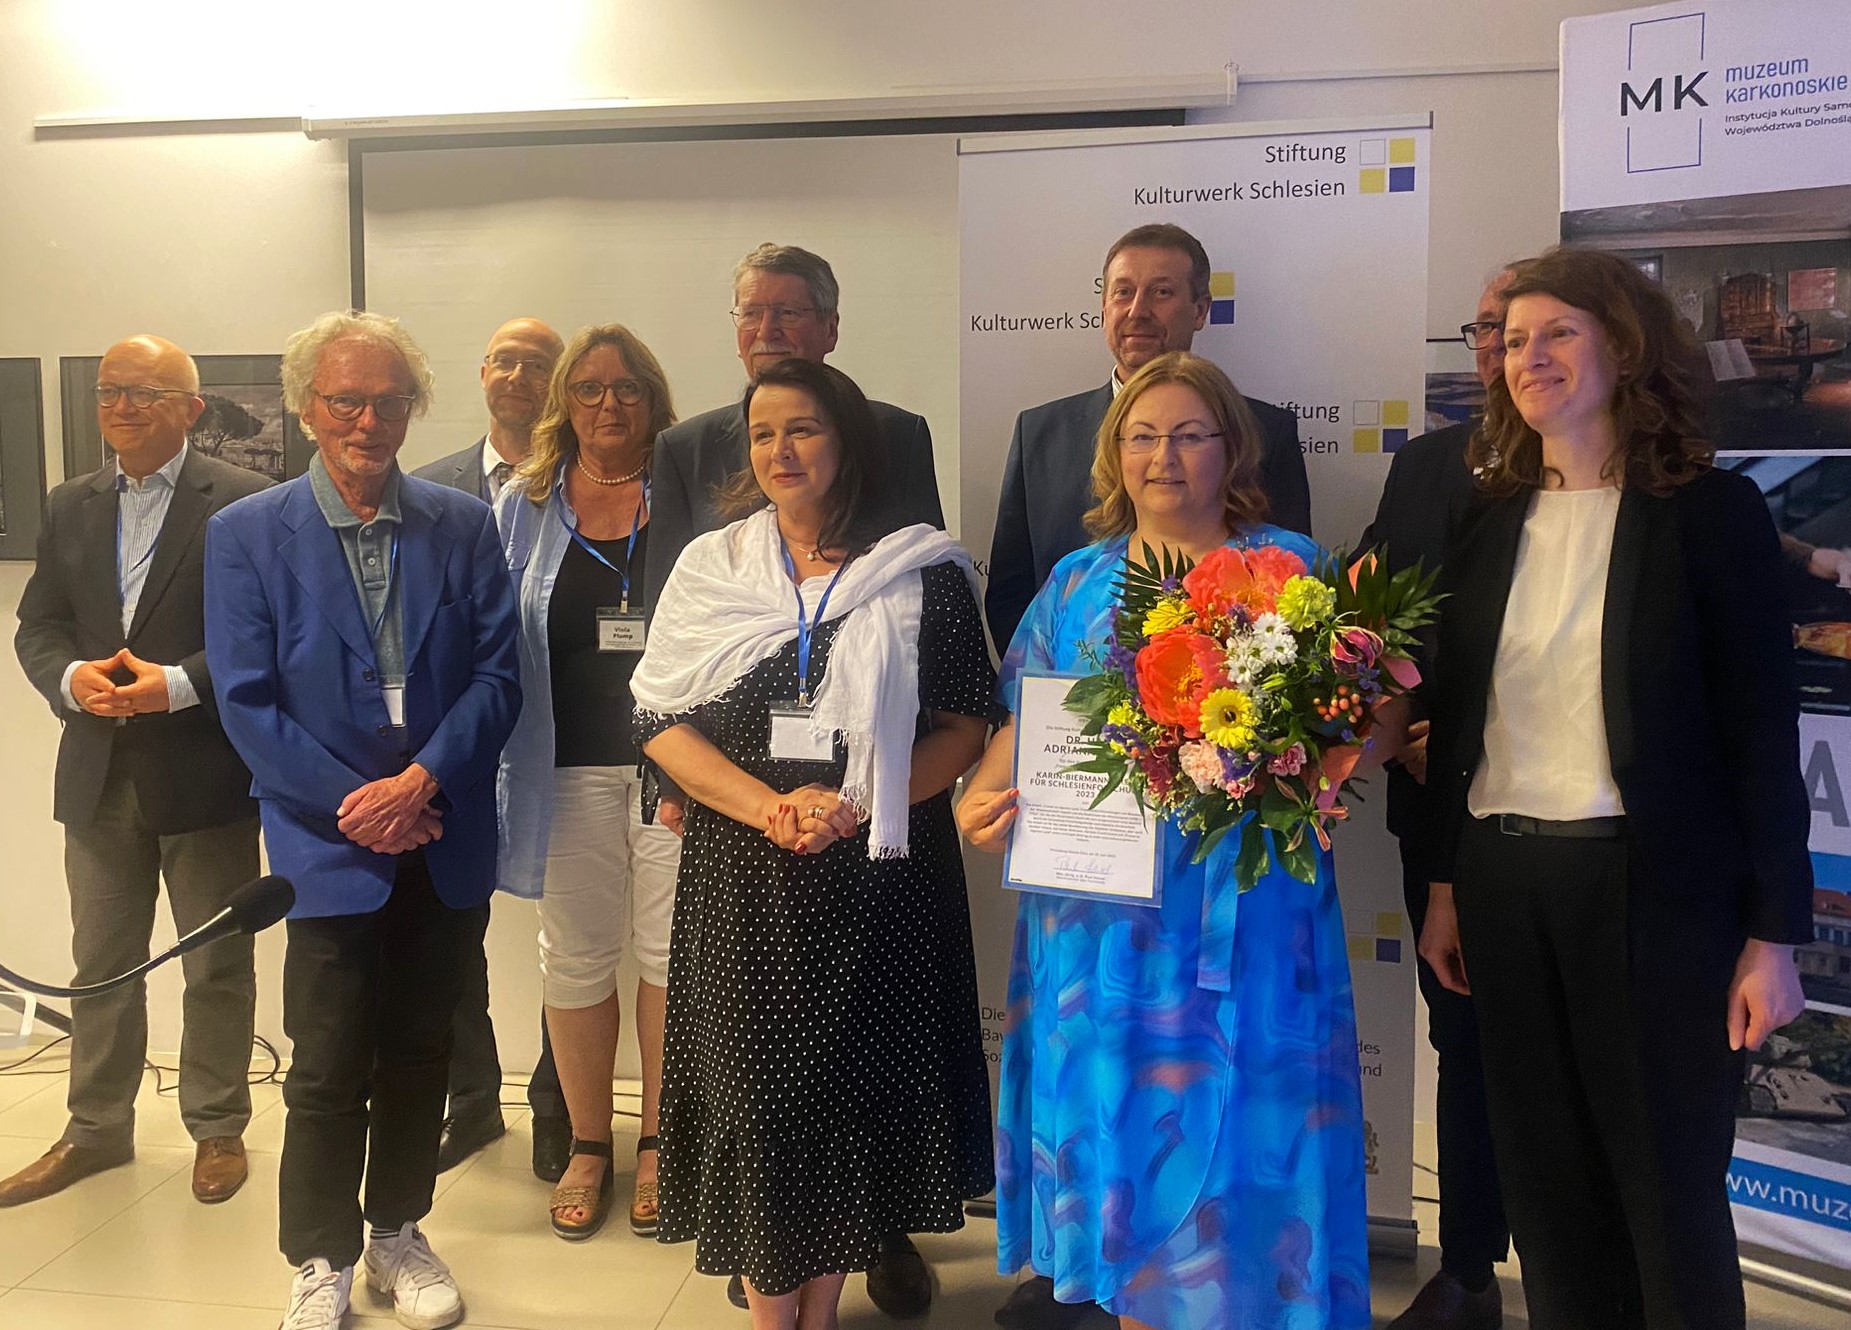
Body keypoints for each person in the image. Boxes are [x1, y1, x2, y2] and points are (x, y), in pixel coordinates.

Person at [1419, 247, 1811, 1330]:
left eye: (1559, 332)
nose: (1529, 356)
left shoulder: (1711, 513)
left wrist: (1774, 935)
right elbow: (1463, 720)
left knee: (1667, 1191)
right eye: (1512, 340)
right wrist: (1445, 885)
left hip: (1653, 895)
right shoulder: (1488, 516)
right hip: (1504, 882)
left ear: (1624, 347)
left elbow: (1760, 731)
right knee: (1546, 1191)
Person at [958, 351, 1374, 1330]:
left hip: (1248, 914)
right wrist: (980, 796)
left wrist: (1311, 766)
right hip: (1100, 928)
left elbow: (1363, 716)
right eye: (1142, 436)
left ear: (1231, 446)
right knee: (1131, 1141)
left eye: (1189, 434)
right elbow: (1028, 719)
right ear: (1114, 453)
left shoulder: (1290, 570)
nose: (1164, 456)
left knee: (1247, 1137)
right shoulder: (1073, 582)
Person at [634, 357, 993, 1330]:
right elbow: (658, 719)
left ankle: (821, 1313)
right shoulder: (711, 568)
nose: (780, 450)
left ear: (847, 442)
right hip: (746, 884)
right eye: (763, 433)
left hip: (878, 881)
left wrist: (854, 803)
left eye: (802, 428)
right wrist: (770, 808)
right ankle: (770, 1316)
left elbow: (965, 724)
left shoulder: (919, 571)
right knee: (759, 1102)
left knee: (846, 1104)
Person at [204, 311, 521, 1330]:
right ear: (307, 408)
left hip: (442, 824)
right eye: (346, 400)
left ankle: (395, 1231)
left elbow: (498, 678)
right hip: (324, 837)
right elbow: (247, 702)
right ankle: (320, 1256)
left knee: (423, 1048)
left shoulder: (462, 523)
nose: (369, 420)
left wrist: (420, 780)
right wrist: (362, 805)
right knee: (328, 1058)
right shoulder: (246, 534)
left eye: (390, 401)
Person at [5, 335, 270, 1210]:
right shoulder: (69, 503)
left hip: (204, 773)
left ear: (191, 408)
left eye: (144, 393)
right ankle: (95, 1129)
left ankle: (218, 1126)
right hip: (97, 773)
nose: (121, 407)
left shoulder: (244, 502)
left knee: (216, 964)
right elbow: (39, 625)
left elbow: (264, 636)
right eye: (110, 391)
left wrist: (179, 685)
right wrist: (69, 680)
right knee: (101, 964)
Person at [494, 323, 682, 1241]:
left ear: (654, 400)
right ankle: (587, 1143)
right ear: (564, 401)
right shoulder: (522, 505)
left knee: (668, 955)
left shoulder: (688, 497)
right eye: (590, 388)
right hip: (560, 765)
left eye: (628, 387)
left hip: (676, 769)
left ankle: (659, 1141)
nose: (609, 404)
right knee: (572, 957)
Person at [1357, 274, 1515, 1330]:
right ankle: (1468, 1272)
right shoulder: (1423, 463)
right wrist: (1395, 718)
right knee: (1463, 1039)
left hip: (1585, 827)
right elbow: (1374, 610)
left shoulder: (1612, 473)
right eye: (1491, 328)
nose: (1503, 347)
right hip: (1435, 807)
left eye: (1533, 328)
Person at [985, 222, 1313, 656]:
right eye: (1123, 292)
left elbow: (1291, 591)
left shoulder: (1266, 432)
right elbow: (1010, 593)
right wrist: (1053, 686)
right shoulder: (1039, 432)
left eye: (1161, 293)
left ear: (1200, 310)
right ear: (1104, 307)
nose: (1137, 310)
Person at [413, 315, 571, 1180]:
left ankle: (559, 1106)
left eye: (536, 363)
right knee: (449, 929)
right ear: (481, 373)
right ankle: (470, 1101)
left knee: (573, 936)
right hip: (456, 746)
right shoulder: (425, 488)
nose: (516, 375)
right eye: (503, 360)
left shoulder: (590, 482)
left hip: (563, 741)